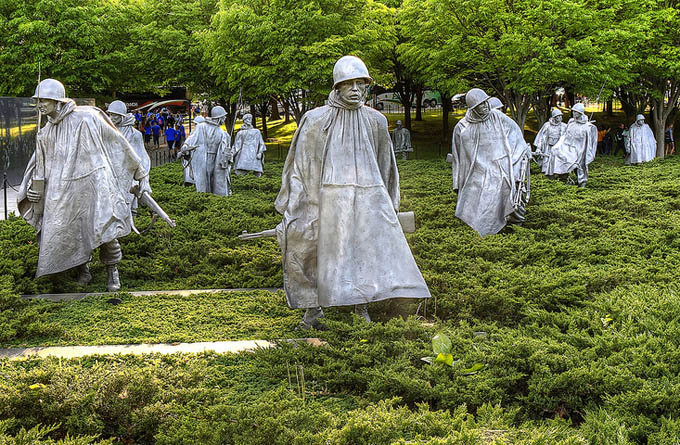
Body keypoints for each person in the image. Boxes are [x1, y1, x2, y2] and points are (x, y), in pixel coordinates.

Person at [275, 55, 430, 329]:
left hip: (366, 199)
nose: (356, 89)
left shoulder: (376, 121)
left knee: (364, 251)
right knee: (309, 249)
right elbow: (301, 166)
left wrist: (389, 204)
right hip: (323, 199)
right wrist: (296, 206)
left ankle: (362, 306)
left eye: (361, 83)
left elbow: (387, 166)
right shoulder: (315, 120)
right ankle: (312, 312)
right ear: (337, 87)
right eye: (349, 84)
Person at [17, 79, 150, 291]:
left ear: (58, 101)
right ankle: (83, 270)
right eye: (38, 100)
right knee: (71, 231)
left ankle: (112, 272)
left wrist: (141, 174)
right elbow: (40, 166)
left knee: (105, 229)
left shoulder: (88, 116)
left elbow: (117, 142)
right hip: (63, 192)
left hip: (95, 184)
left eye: (45, 100)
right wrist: (35, 190)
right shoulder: (45, 133)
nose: (40, 104)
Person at [451, 88, 529, 236]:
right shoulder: (462, 127)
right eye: (481, 104)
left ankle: (515, 225)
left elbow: (516, 135)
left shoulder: (498, 117)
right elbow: (457, 158)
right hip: (477, 171)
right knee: (480, 193)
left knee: (508, 185)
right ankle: (486, 230)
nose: (486, 106)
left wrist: (523, 150)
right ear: (473, 108)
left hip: (501, 167)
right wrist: (457, 183)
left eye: (486, 102)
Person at [106, 100, 152, 215]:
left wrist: (144, 180)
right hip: (110, 175)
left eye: (115, 115)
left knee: (128, 207)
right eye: (110, 114)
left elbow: (142, 158)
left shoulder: (135, 135)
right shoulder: (107, 131)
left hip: (127, 176)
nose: (111, 118)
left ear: (122, 116)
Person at [179, 106, 231, 195]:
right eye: (223, 117)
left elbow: (226, 150)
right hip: (203, 159)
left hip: (216, 161)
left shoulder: (223, 134)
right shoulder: (201, 127)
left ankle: (214, 200)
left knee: (215, 182)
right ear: (218, 117)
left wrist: (228, 155)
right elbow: (192, 138)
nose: (225, 119)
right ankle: (204, 199)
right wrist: (186, 146)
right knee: (203, 183)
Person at [548, 103, 597, 187]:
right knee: (558, 154)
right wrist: (557, 146)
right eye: (573, 111)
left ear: (580, 113)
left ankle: (582, 182)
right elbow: (565, 136)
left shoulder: (588, 127)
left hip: (580, 150)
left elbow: (590, 142)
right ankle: (563, 176)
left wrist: (587, 153)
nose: (573, 113)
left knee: (580, 166)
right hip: (569, 148)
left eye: (576, 112)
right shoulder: (571, 123)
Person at [534, 108, 567, 176]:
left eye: (561, 116)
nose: (560, 118)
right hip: (549, 147)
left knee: (558, 165)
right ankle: (548, 177)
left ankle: (559, 176)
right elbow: (542, 138)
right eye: (558, 116)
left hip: (559, 149)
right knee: (547, 164)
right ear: (554, 117)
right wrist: (539, 148)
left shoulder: (564, 126)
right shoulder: (547, 125)